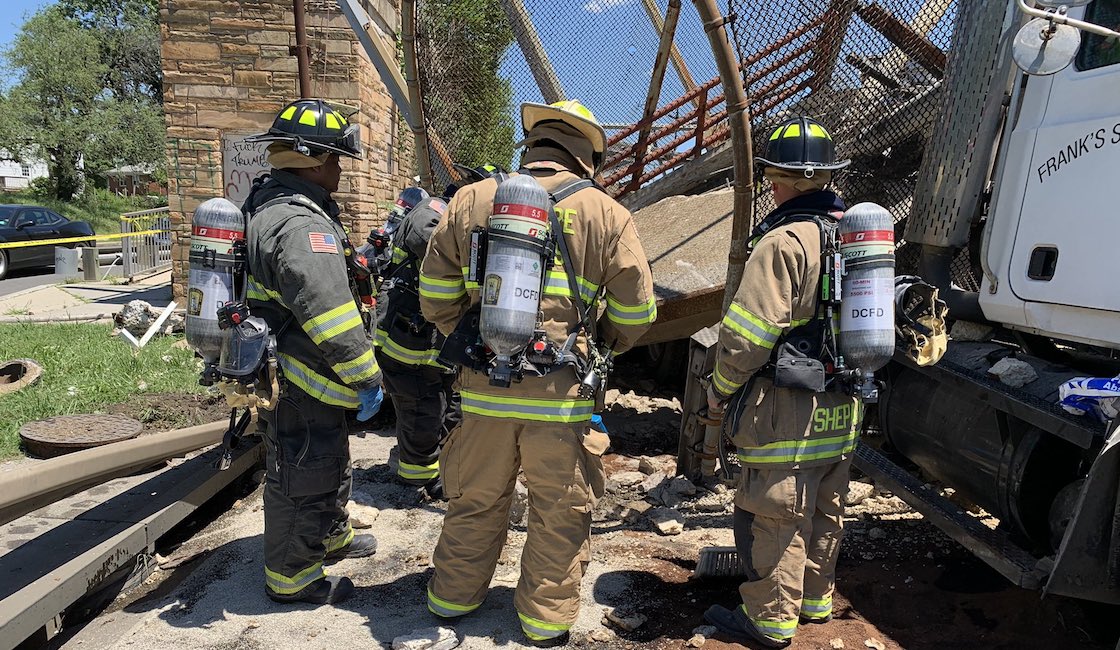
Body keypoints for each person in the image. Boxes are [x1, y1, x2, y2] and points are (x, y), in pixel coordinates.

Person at [419, 100, 657, 647]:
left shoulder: (474, 199)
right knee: (559, 514)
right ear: (587, 155)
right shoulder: (607, 213)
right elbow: (638, 311)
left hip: (483, 394)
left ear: (533, 143)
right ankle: (544, 622)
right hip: (562, 401)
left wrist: (475, 339)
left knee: (474, 501)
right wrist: (598, 344)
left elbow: (434, 294)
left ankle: (451, 599)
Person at [703, 116, 863, 648]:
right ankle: (814, 602)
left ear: (779, 178)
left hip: (786, 407)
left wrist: (721, 389)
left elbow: (748, 335)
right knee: (823, 503)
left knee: (775, 511)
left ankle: (770, 622)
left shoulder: (784, 242)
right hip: (843, 405)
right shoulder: (855, 237)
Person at [242, 98, 384, 605]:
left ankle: (330, 537)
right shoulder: (304, 228)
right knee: (304, 472)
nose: (341, 169)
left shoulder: (273, 205)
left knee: (327, 458)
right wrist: (368, 377)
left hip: (299, 374)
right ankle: (293, 577)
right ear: (314, 159)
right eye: (337, 159)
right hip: (303, 376)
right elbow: (329, 313)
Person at [373, 192, 459, 499]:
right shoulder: (434, 209)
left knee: (442, 407)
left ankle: (438, 471)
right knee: (421, 411)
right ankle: (415, 483)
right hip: (405, 341)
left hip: (427, 343)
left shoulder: (452, 214)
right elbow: (424, 236)